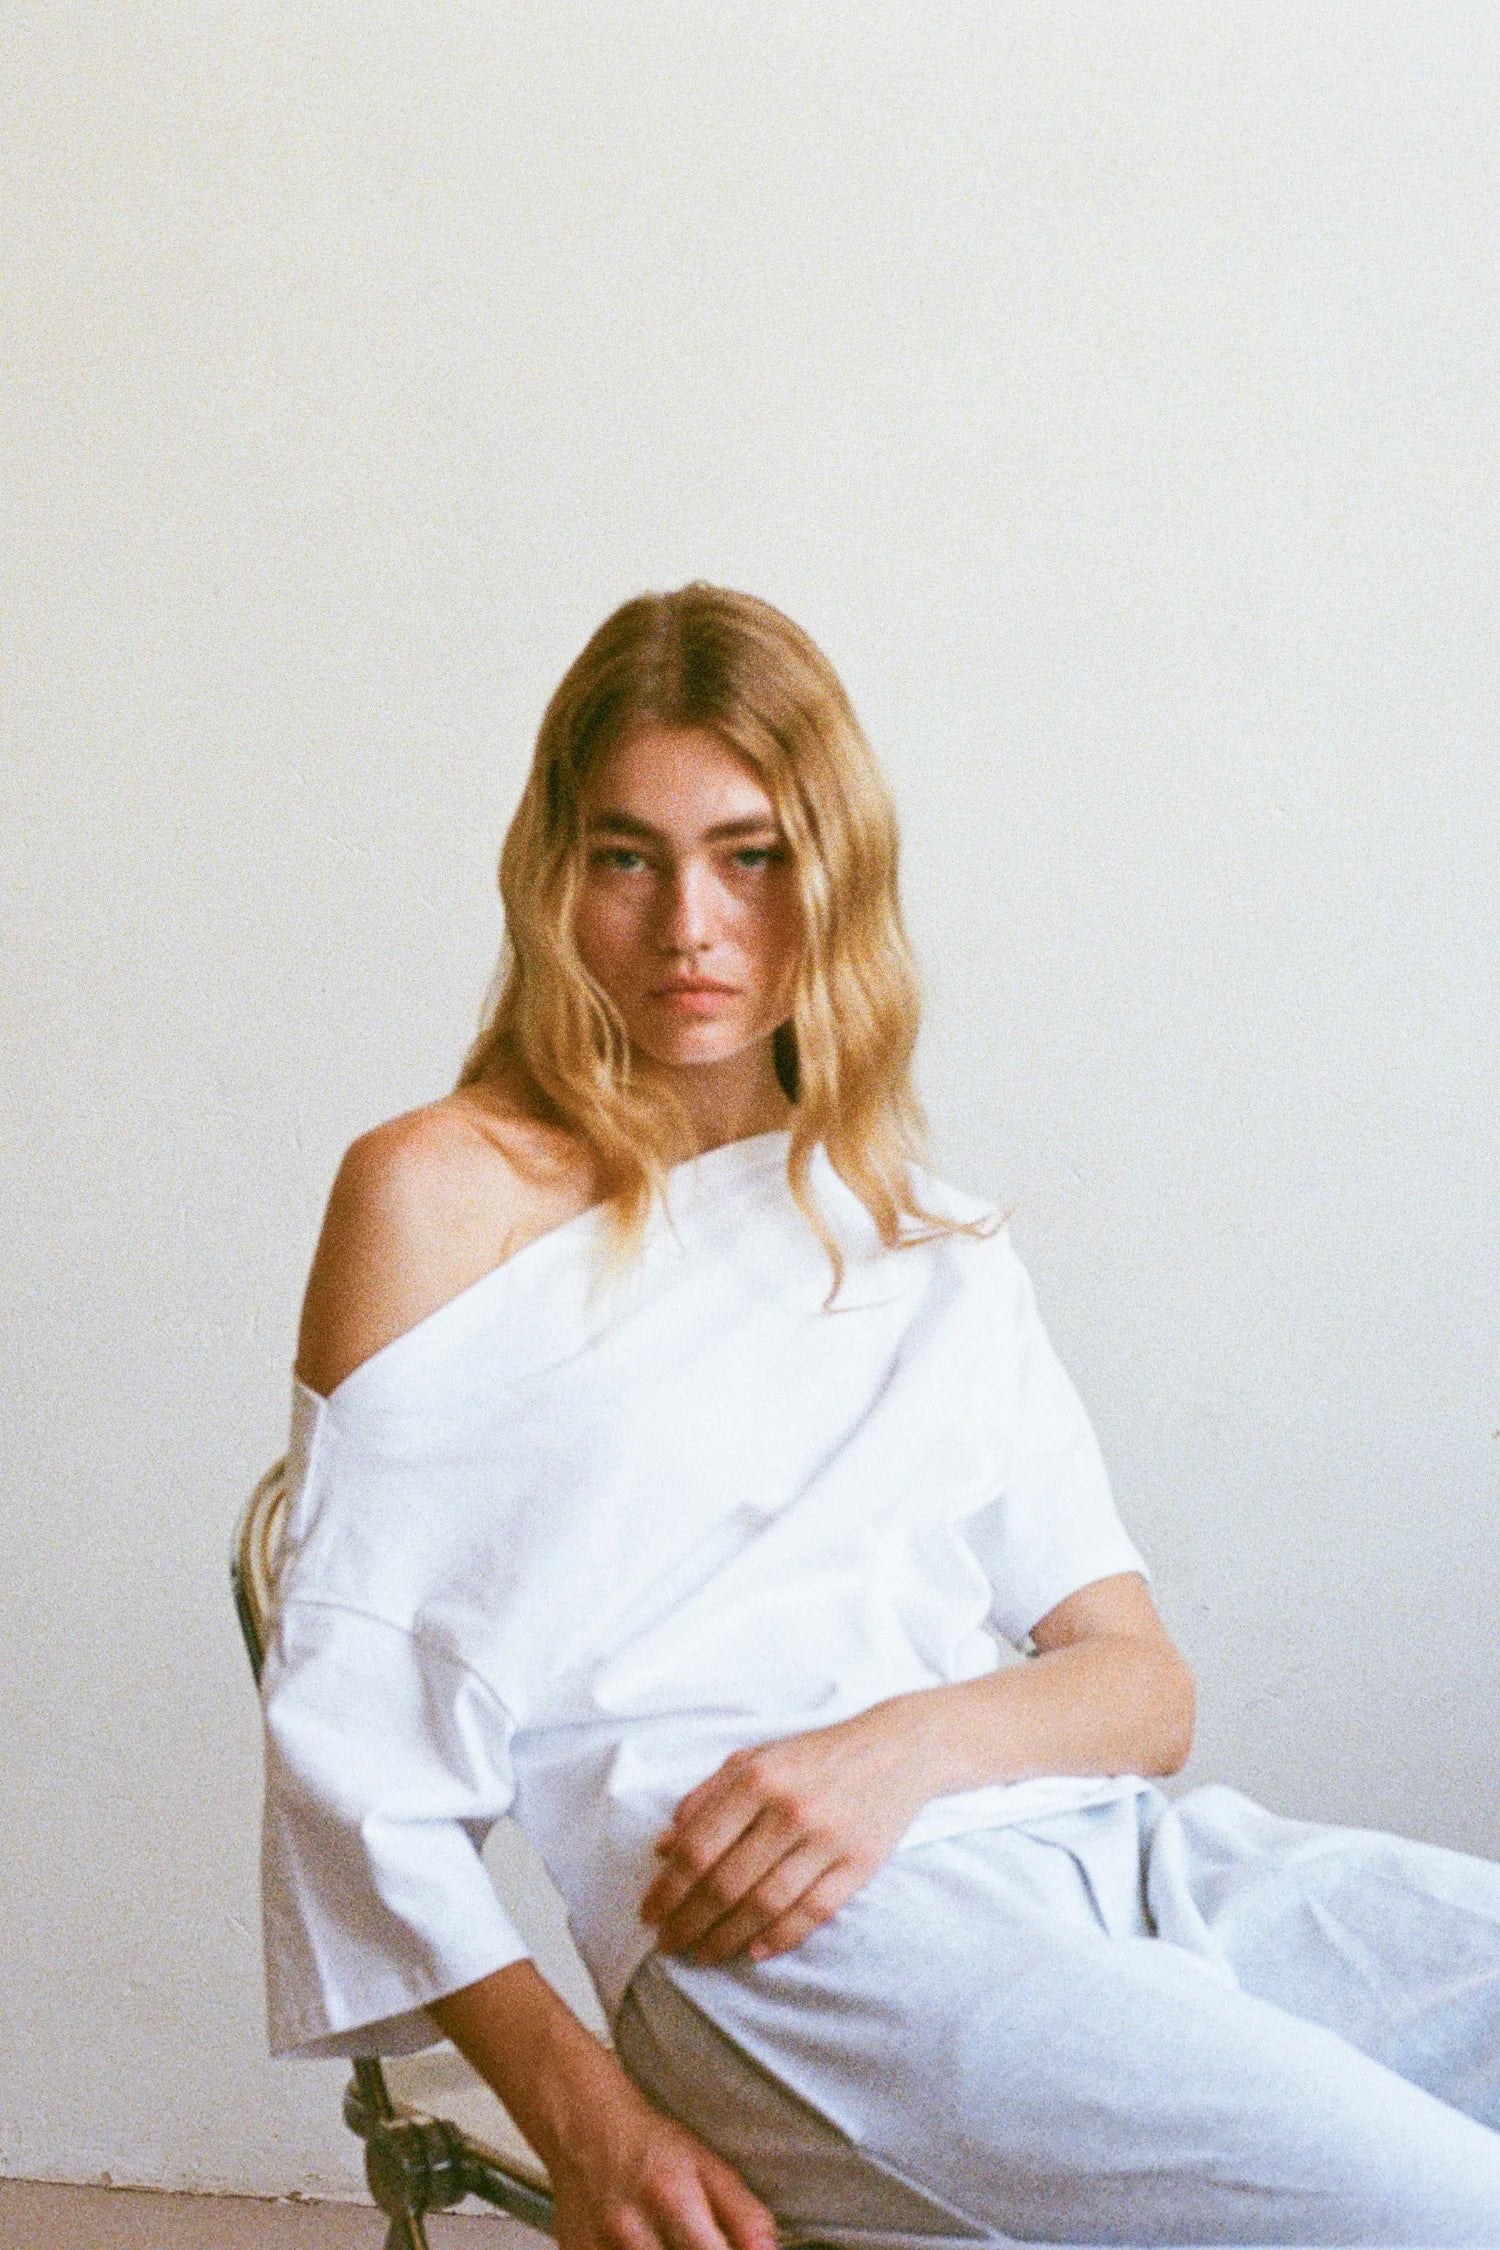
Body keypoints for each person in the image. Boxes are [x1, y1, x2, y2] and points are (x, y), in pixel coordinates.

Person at [262, 584, 1500, 2248]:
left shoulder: (922, 1231)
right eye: (629, 856)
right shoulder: (436, 1194)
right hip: (796, 1949)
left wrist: (896, 1750)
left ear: (836, 870)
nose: (691, 924)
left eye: (752, 855)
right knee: (1445, 2209)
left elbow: (1142, 1686)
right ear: (554, 875)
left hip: (1115, 1852)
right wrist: (591, 2118)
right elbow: (352, 1752)